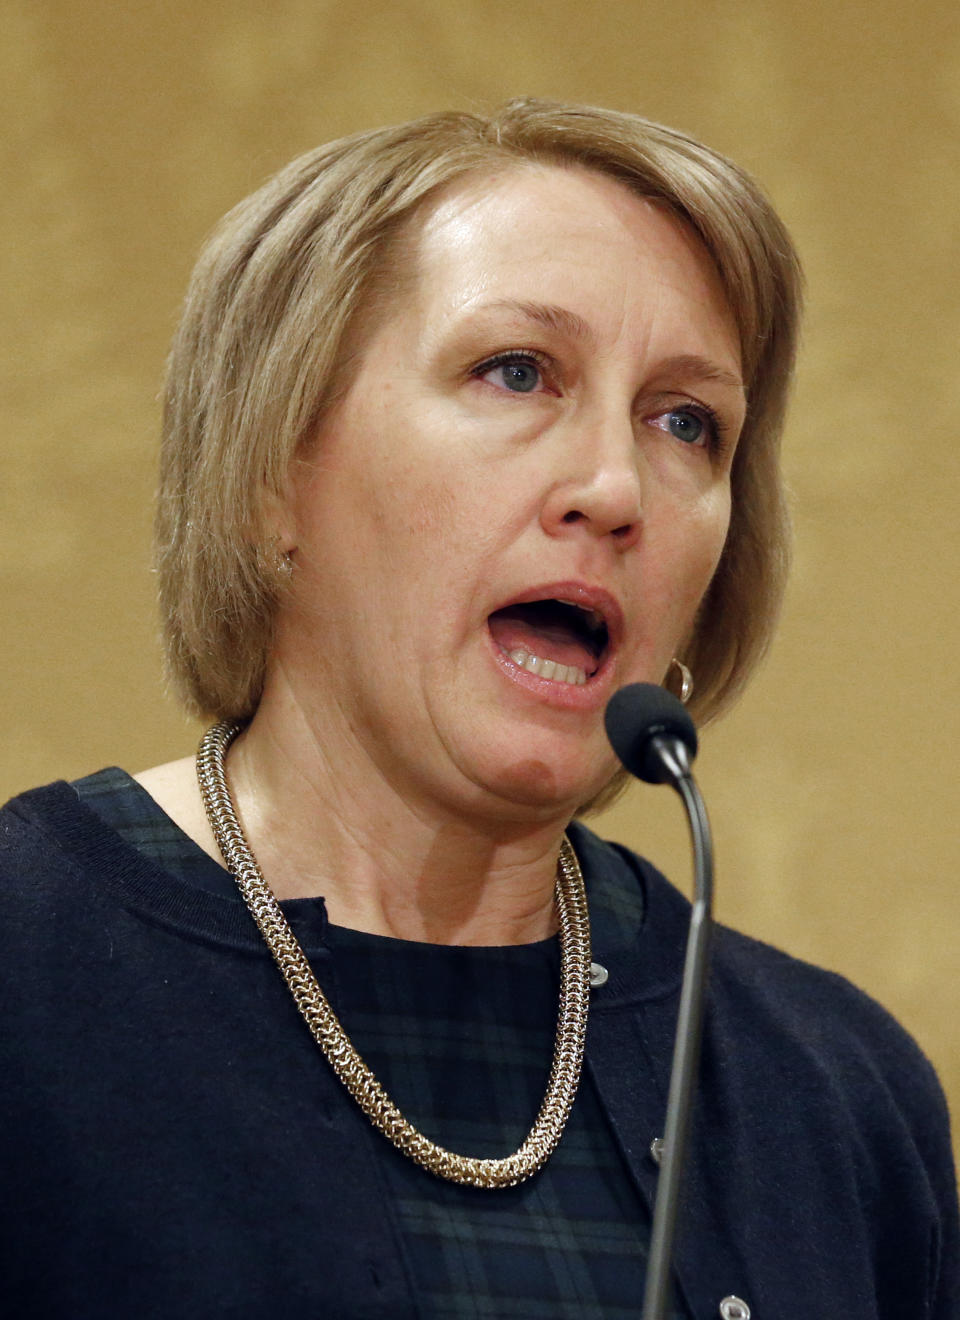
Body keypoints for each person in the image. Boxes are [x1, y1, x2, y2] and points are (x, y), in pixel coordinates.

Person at [1, 99, 956, 1319]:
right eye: (517, 371)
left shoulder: (833, 1091)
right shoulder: (31, 976)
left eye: (685, 422)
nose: (616, 487)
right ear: (266, 473)